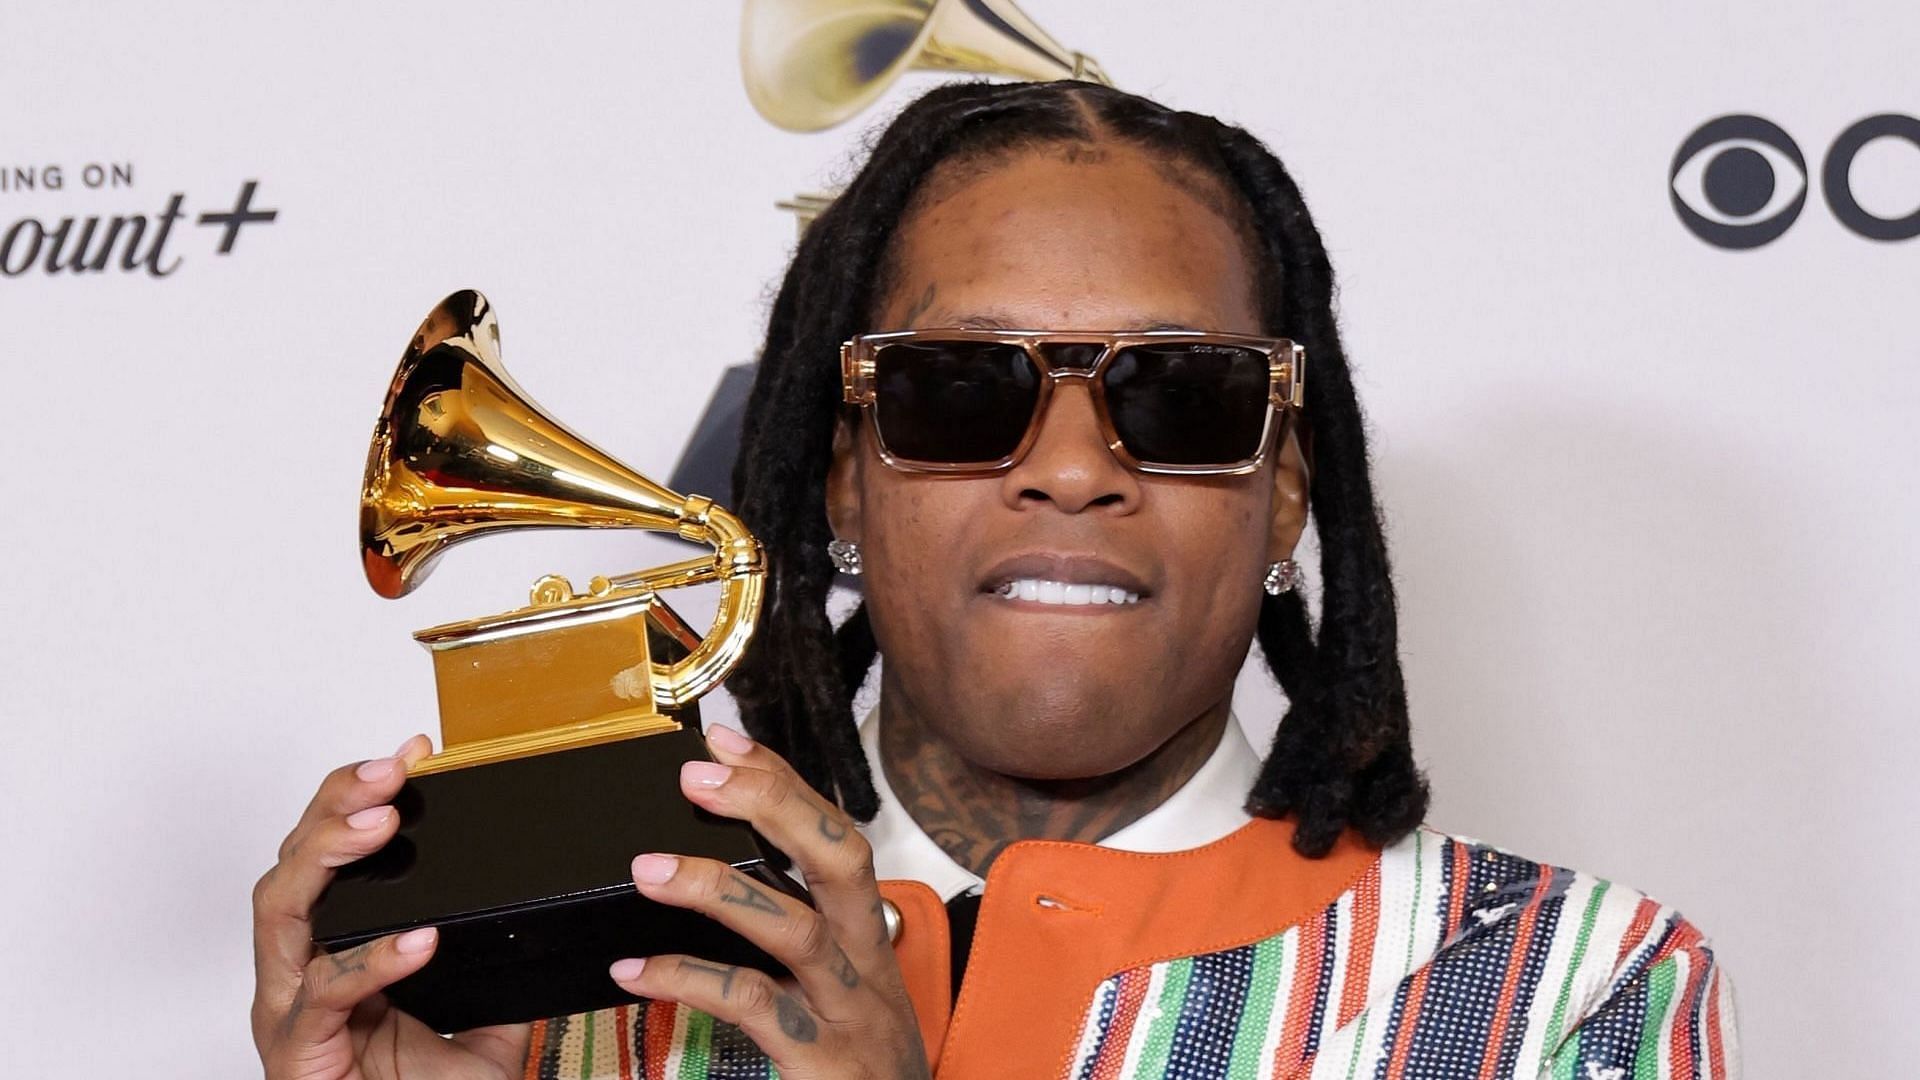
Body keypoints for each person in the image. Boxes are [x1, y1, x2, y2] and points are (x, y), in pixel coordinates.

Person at [250, 80, 1739, 1079]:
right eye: (957, 392)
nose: (1072, 466)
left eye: (1182, 397)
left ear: (1287, 490)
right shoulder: (585, 1000)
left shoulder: (1563, 990)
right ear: (840, 475)